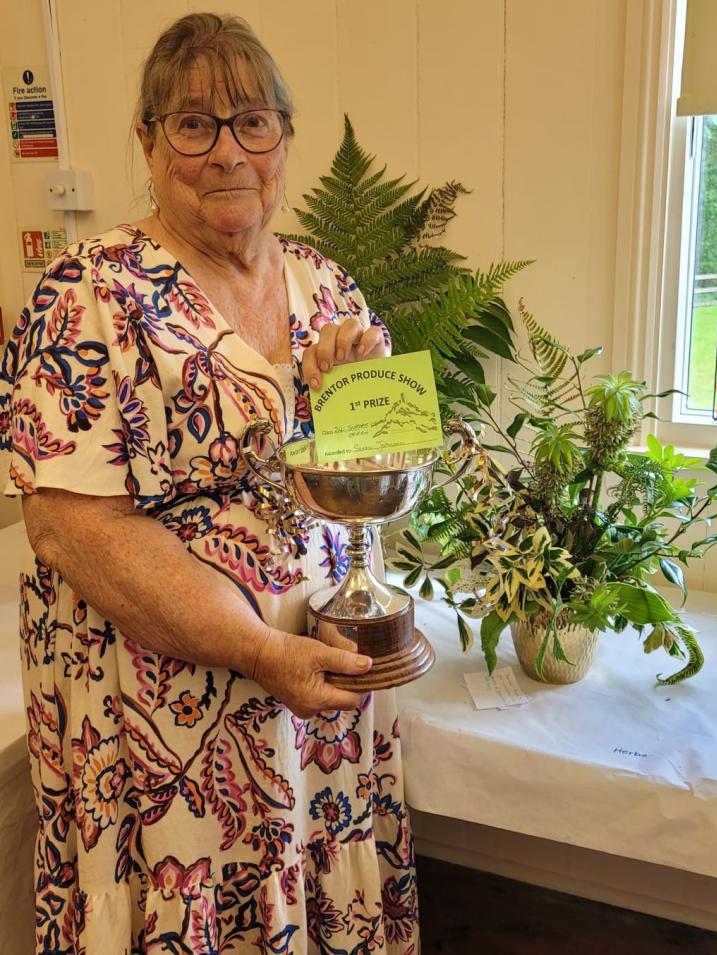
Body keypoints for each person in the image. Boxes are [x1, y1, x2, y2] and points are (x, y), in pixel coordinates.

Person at [0, 13, 419, 954]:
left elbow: (372, 482)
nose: (228, 151)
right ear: (148, 142)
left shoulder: (328, 285)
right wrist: (260, 652)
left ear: (285, 139)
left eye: (252, 122)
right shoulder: (87, 295)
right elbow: (71, 529)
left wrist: (358, 387)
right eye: (194, 125)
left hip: (318, 713)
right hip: (163, 734)